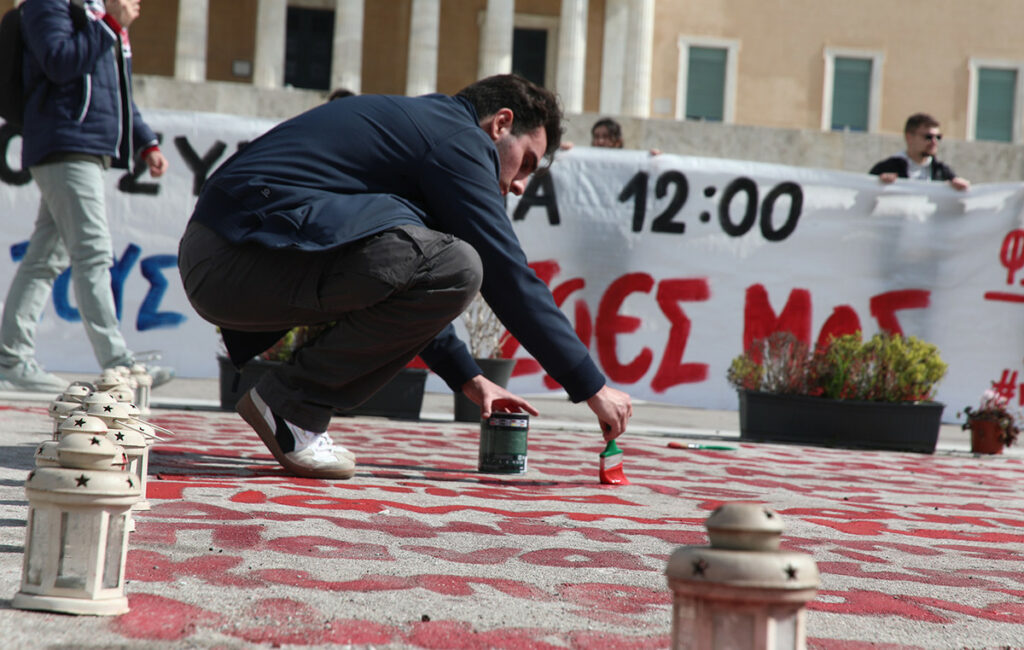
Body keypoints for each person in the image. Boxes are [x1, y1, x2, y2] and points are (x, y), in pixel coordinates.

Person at [178, 74, 633, 480]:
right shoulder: (458, 140)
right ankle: (291, 405)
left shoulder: (427, 131)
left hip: (226, 256)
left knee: (444, 261)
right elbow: (506, 274)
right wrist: (591, 385)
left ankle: (291, 405)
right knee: (463, 263)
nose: (519, 186)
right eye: (528, 162)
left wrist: (470, 378)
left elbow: (407, 276)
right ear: (500, 123)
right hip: (235, 254)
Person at [0, 0, 173, 393]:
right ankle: (118, 363)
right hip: (66, 142)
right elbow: (59, 62)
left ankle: (11, 359)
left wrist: (145, 142)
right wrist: (110, 23)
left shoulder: (97, 13)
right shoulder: (52, 5)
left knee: (45, 258)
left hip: (83, 146)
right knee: (92, 253)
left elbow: (117, 89)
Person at [870, 113, 970, 191]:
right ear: (909, 137)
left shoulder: (943, 172)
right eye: (928, 137)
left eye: (938, 137)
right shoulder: (886, 168)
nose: (934, 142)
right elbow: (866, 199)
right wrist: (878, 184)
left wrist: (961, 187)